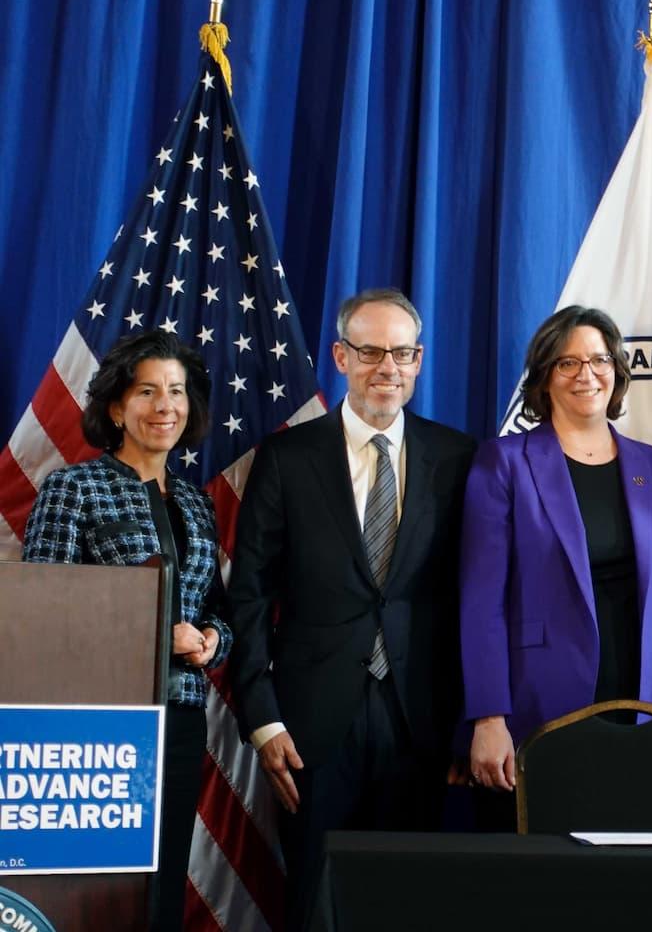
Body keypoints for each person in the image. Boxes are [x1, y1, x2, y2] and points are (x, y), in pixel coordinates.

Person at [226, 288, 475, 930]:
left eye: (402, 352)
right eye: (369, 351)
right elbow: (249, 595)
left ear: (419, 361)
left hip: (421, 719)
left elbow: (471, 597)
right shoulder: (286, 458)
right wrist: (264, 719)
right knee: (316, 900)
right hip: (311, 723)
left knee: (407, 900)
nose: (386, 367)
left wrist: (468, 718)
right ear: (341, 355)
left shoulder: (460, 458)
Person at [461, 305, 652, 829]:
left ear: (616, 371)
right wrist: (488, 716)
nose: (585, 374)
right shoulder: (504, 462)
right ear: (545, 376)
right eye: (567, 363)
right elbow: (481, 602)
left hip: (641, 698)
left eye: (598, 360)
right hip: (539, 697)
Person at [23, 331, 231, 932]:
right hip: (101, 721)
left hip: (183, 715)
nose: (165, 405)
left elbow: (214, 608)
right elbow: (44, 614)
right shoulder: (74, 489)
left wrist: (214, 640)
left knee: (164, 881)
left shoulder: (196, 504)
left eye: (177, 391)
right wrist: (150, 637)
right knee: (101, 888)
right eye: (147, 391)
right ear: (116, 407)